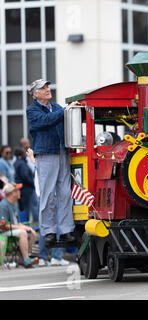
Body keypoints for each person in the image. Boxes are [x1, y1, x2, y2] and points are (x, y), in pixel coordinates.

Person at [26, 78, 78, 247]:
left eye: (48, 86)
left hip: (62, 152)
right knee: (48, 195)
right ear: (36, 94)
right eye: (43, 88)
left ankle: (66, 230)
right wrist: (66, 111)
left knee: (65, 194)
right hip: (46, 153)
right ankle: (49, 231)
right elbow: (46, 121)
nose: (48, 89)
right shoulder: (32, 110)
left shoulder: (56, 108)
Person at [26, 148, 69, 267]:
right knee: (57, 227)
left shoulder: (40, 165)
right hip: (53, 197)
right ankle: (56, 256)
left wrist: (32, 158)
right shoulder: (46, 164)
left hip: (43, 197)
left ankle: (43, 257)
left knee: (45, 227)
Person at [0, 183, 38, 268]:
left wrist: (26, 227)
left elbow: (17, 222)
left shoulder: (14, 205)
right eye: (17, 190)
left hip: (12, 230)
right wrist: (21, 228)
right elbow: (4, 225)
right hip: (3, 232)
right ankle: (26, 259)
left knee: (32, 233)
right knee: (22, 233)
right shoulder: (3, 205)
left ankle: (23, 259)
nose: (19, 192)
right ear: (11, 193)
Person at [13, 148, 39, 224]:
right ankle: (35, 223)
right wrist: (33, 184)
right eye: (25, 153)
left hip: (22, 188)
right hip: (27, 188)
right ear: (21, 154)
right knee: (31, 206)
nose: (26, 155)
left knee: (24, 207)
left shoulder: (17, 163)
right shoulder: (22, 164)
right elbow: (25, 176)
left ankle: (26, 222)